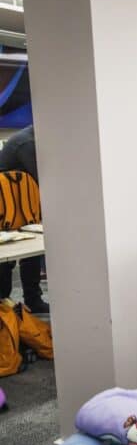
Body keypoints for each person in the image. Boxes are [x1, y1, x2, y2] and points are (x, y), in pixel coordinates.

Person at [0, 125, 49, 314]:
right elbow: (42, 178)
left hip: (21, 205)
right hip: (7, 208)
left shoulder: (32, 139)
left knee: (32, 253)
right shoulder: (26, 143)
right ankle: (5, 304)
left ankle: (32, 299)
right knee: (7, 257)